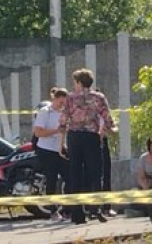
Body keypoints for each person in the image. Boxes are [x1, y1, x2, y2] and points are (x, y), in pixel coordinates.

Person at [60, 68, 115, 225]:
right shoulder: (98, 97)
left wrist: (61, 142)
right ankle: (95, 208)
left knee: (75, 173)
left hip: (74, 137)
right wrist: (109, 128)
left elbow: (63, 120)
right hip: (91, 136)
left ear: (78, 82)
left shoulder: (70, 98)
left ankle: (78, 213)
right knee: (95, 173)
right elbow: (107, 116)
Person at [33, 87, 69, 222]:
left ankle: (66, 210)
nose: (62, 105)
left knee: (70, 177)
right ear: (55, 99)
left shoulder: (64, 113)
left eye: (64, 103)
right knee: (52, 179)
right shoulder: (45, 112)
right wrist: (56, 131)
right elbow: (38, 133)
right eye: (60, 103)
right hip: (46, 150)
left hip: (59, 149)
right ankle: (53, 212)